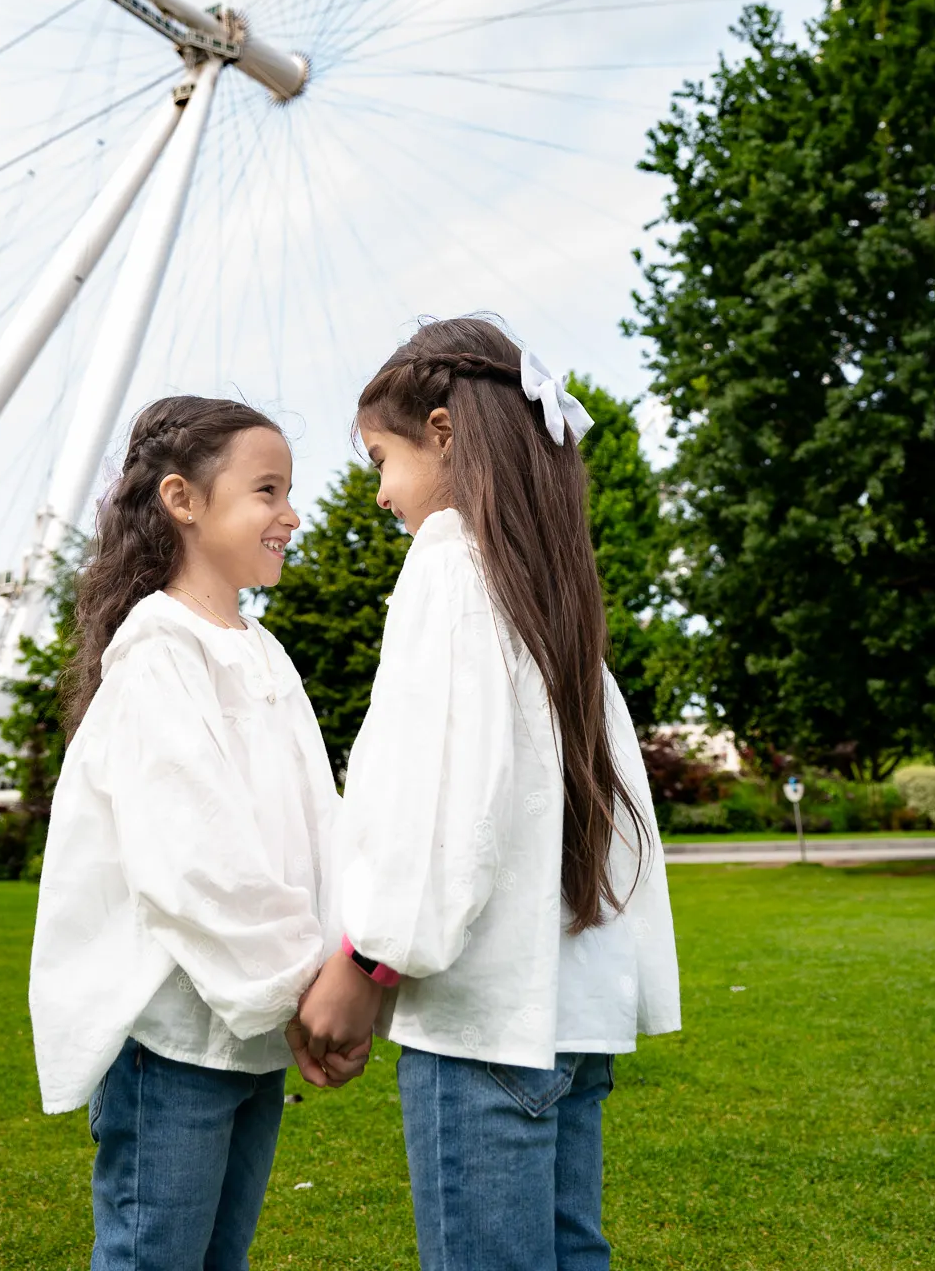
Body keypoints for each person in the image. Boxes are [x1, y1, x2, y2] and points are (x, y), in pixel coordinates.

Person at [295, 316, 681, 1271]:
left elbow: (436, 791)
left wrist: (369, 959)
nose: (380, 491)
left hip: (486, 1020)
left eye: (380, 457)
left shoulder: (451, 564)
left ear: (441, 431)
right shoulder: (548, 586)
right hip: (567, 1011)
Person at [29, 394, 363, 1271]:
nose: (290, 515)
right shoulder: (158, 655)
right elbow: (194, 860)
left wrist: (340, 970)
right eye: (266, 490)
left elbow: (314, 829)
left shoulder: (259, 650)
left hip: (247, 1034)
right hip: (173, 1039)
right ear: (182, 499)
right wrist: (306, 988)